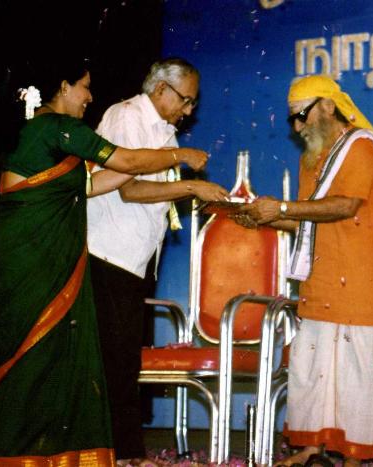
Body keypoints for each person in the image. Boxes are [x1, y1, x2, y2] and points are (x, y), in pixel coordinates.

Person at [0, 58, 210, 466]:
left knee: (40, 353)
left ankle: (28, 450)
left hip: (35, 253)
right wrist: (180, 157)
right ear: (63, 87)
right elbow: (127, 162)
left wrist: (162, 163)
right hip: (31, 255)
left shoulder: (45, 133)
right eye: (84, 87)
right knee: (29, 351)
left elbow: (96, 183)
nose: (90, 97)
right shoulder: (56, 128)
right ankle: (7, 450)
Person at [236, 75, 373, 467]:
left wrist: (280, 208)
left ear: (328, 106)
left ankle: (353, 458)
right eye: (292, 119)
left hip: (361, 279)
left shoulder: (361, 148)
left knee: (352, 374)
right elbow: (307, 221)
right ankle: (311, 450)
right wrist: (262, 218)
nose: (297, 127)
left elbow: (345, 206)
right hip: (322, 279)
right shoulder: (312, 157)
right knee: (309, 367)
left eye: (302, 115)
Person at [86, 58, 228, 462]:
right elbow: (128, 189)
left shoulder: (164, 134)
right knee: (114, 362)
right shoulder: (127, 116)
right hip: (107, 253)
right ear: (161, 89)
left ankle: (120, 451)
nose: (189, 110)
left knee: (123, 360)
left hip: (134, 260)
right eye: (186, 100)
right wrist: (190, 186)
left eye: (192, 103)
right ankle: (119, 452)